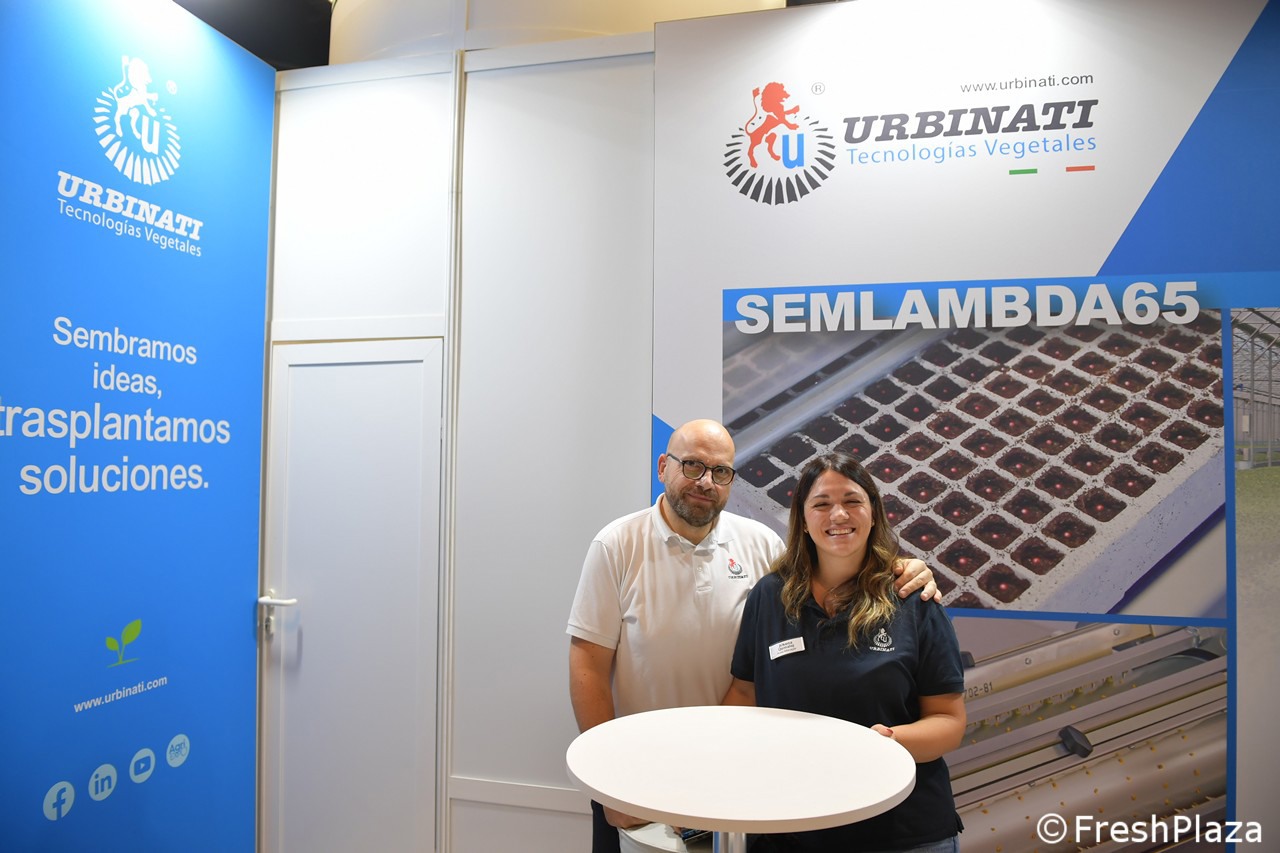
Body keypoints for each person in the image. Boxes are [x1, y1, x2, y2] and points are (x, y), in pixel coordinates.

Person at [567, 420, 941, 853]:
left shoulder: (761, 544)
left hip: (736, 773)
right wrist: (611, 777)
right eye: (692, 466)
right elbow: (587, 664)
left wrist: (903, 567)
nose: (706, 482)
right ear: (663, 467)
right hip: (641, 772)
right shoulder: (617, 545)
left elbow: (829, 571)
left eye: (721, 471)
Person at [723, 451, 966, 853]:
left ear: (873, 513)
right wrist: (713, 766)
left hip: (900, 832)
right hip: (791, 828)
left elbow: (948, 721)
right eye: (821, 504)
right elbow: (744, 693)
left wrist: (888, 741)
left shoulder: (912, 598)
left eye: (852, 501)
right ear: (803, 520)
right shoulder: (770, 597)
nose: (838, 515)